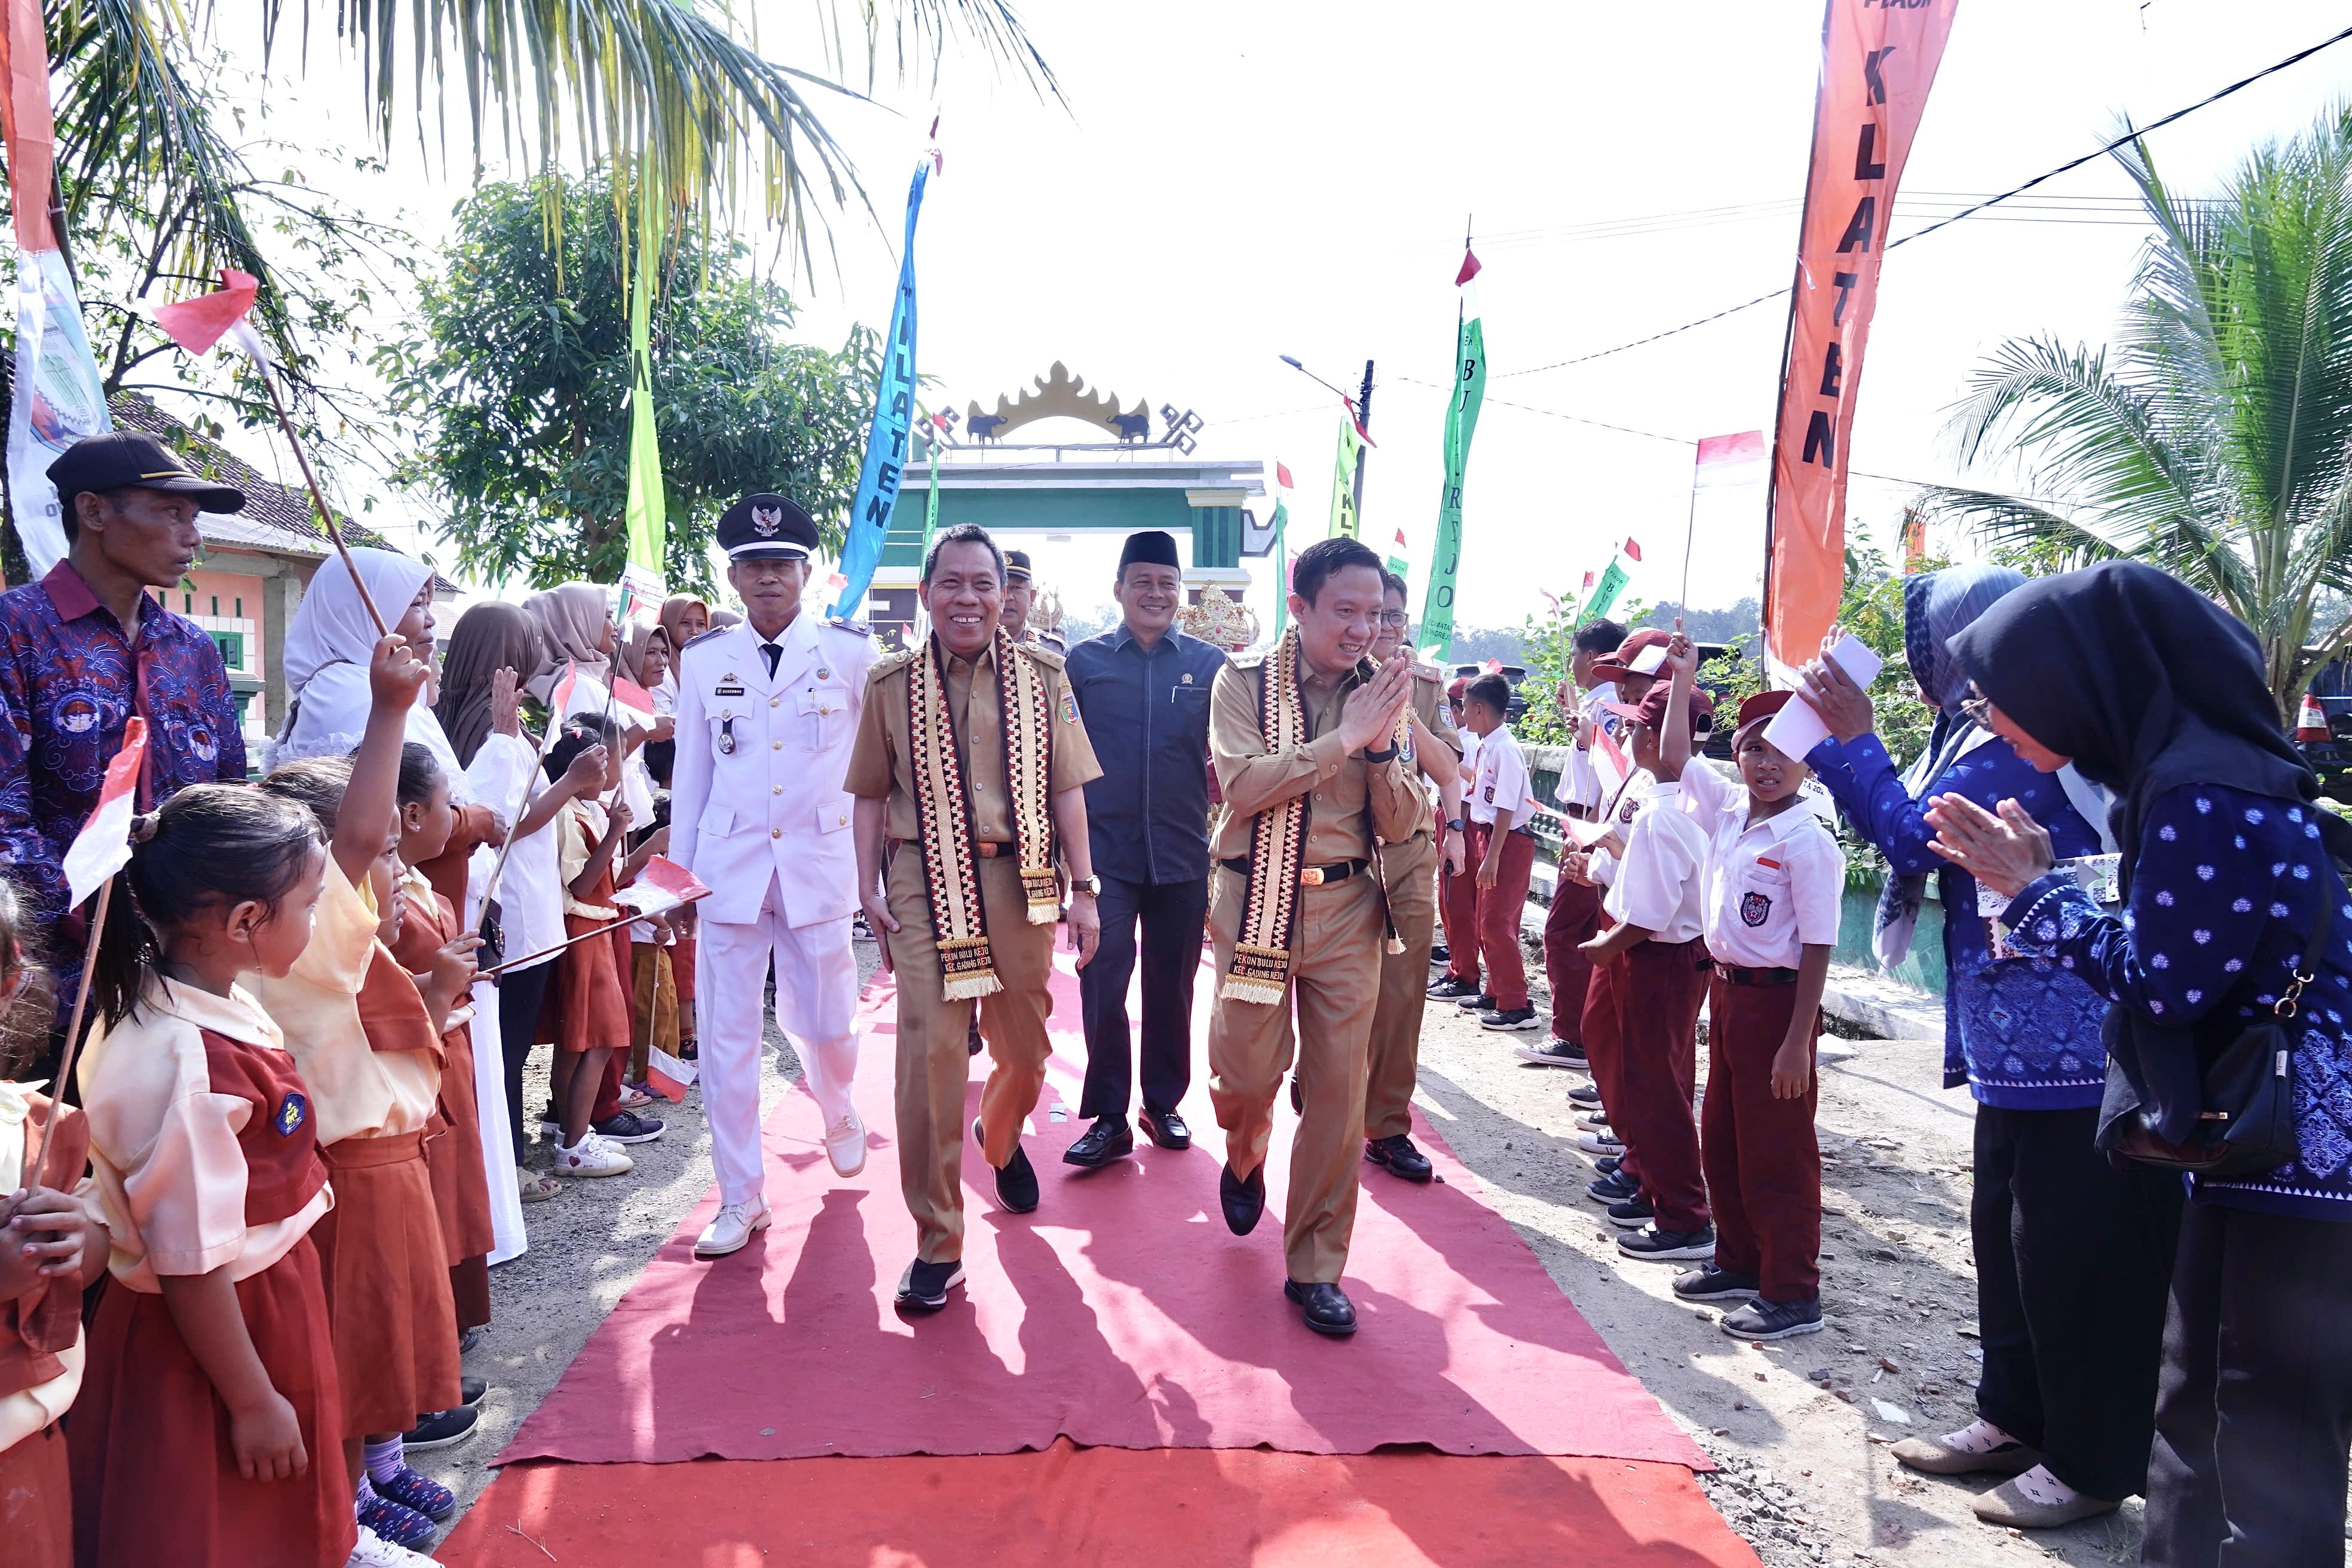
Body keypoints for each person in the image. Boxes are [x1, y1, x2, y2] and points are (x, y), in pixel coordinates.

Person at [1924, 561, 2352, 1561]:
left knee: (2263, 1428)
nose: (1994, 719)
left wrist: (2031, 892)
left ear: (2082, 680)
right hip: (2260, 1143)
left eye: (2006, 694)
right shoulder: (2201, 772)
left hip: (2299, 1150)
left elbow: (2168, 984)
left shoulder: (2200, 790)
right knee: (2196, 1400)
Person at [1799, 565, 2178, 1530]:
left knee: (2071, 1255)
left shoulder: (2034, 740)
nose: (1935, 662)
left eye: (1940, 642)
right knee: (2009, 1240)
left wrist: (1852, 740)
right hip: (2017, 1046)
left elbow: (1916, 836)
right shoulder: (1979, 728)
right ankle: (2012, 1416)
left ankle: (2089, 1457)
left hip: (2073, 1048)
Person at [72, 783, 436, 1568]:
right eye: (309, 905)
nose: (316, 921)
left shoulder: (206, 1007)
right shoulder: (187, 1063)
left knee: (272, 1499)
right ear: (244, 923)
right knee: (214, 1509)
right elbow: (190, 1262)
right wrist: (251, 1397)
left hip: (264, 1298)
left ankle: (334, 1541)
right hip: (216, 1327)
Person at [846, 523, 1102, 1313]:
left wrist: (1085, 887)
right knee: (927, 1057)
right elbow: (867, 793)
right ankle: (937, 1242)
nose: (967, 598)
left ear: (1005, 595)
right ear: (926, 595)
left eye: (982, 584)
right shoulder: (892, 685)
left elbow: (1069, 787)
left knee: (1024, 1051)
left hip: (1019, 880)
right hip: (923, 880)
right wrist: (868, 888)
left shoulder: (1044, 676)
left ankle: (1001, 1134)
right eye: (950, 583)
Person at [253, 637, 471, 1555]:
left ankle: (374, 1480)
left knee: (386, 1348)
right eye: (378, 857)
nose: (390, 872)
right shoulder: (305, 938)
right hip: (349, 1167)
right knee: (348, 1357)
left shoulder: (330, 937)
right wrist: (389, 710)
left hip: (385, 1158)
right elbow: (353, 841)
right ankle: (342, 1522)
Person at [1205, 536, 1423, 1336]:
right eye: (1347, 611)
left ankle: (1316, 1267)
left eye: (1376, 613)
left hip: (1348, 912)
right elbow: (1243, 785)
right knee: (1244, 1071)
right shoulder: (1243, 680)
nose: (1365, 629)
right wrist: (1343, 741)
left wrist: (1385, 748)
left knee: (1338, 1093)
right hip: (1252, 899)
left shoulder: (1386, 691)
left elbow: (1403, 824)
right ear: (1299, 608)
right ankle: (1244, 1149)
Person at [669, 493, 880, 1258]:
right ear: (733, 576)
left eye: (782, 565)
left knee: (824, 1023)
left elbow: (874, 775)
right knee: (726, 1042)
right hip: (728, 871)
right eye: (754, 565)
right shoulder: (703, 662)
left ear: (806, 572)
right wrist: (679, 880)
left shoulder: (851, 654)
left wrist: (876, 872)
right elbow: (691, 778)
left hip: (819, 867)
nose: (768, 578)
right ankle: (741, 1195)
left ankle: (838, 1103)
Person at [0, 431, 249, 984]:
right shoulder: (16, 631)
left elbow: (229, 794)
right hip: (56, 977)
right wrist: (102, 918)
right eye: (171, 513)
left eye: (195, 517)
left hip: (189, 965)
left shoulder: (193, 648)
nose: (193, 537)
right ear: (93, 511)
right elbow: (5, 822)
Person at [1656, 644, 1840, 1342]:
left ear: (1804, 762)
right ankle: (1739, 1260)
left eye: (1780, 754)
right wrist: (1682, 680)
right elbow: (1676, 756)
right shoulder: (1735, 812)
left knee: (1778, 1149)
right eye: (1753, 749)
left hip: (1779, 1003)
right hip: (1728, 993)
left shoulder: (1807, 836)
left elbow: (1819, 943)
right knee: (1724, 1136)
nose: (1765, 764)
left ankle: (1792, 1289)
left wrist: (1799, 1040)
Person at [1060, 530, 1229, 1167]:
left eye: (1167, 583)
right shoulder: (1085, 662)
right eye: (1143, 582)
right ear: (1120, 589)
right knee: (1102, 977)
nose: (1156, 593)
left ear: (1179, 592)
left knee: (1173, 982)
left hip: (1184, 851)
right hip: (1104, 856)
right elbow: (1059, 760)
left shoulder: (1211, 666)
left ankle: (1161, 1103)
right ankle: (1108, 1116)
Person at [1576, 677, 1715, 1264]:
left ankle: (1683, 1215)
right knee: (1658, 1079)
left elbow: (1650, 913)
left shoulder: (1664, 813)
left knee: (1656, 1087)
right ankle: (1656, 1184)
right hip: (1674, 953)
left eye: (1634, 728)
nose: (1626, 737)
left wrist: (1606, 947)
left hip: (1657, 956)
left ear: (1658, 738)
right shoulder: (1688, 800)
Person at [433, 601, 566, 1208]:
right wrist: (565, 781)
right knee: (503, 1049)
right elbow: (502, 823)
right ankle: (502, 1167)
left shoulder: (464, 724)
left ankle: (499, 1162)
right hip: (507, 913)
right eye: (530, 640)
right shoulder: (489, 734)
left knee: (502, 1048)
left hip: (519, 911)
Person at [0, 875, 108, 1568]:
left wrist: (82, 1239)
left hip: (29, 1449)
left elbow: (93, 1259)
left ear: (10, 976)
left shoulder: (40, 1129)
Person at [1358, 572, 1465, 1183]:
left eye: (1395, 617)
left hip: (1404, 852)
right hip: (1340, 848)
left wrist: (1399, 704)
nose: (1385, 627)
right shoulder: (1320, 679)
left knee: (1401, 994)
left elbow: (1450, 767)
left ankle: (1388, 1125)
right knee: (1330, 982)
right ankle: (1317, 1078)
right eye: (1376, 615)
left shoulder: (1425, 686)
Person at [1526, 617, 1628, 1068]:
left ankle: (1574, 1036)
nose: (1571, 664)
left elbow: (1604, 779)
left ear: (1590, 657)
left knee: (1566, 931)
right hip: (1593, 826)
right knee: (1589, 930)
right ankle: (1589, 1037)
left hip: (1596, 828)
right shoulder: (1602, 704)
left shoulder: (1605, 707)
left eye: (1573, 656)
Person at [1459, 672, 1543, 1032]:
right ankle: (1496, 991)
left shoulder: (1505, 748)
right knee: (1485, 918)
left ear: (1479, 709)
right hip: (1489, 835)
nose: (1462, 715)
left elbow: (1507, 806)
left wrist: (1492, 856)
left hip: (1506, 839)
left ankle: (1518, 1004)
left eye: (1464, 708)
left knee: (1497, 922)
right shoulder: (1486, 744)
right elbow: (1481, 790)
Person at [1001, 549, 1038, 644]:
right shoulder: (965, 648)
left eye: (1016, 587)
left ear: (1032, 596)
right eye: (1000, 589)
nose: (1007, 597)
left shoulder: (1054, 649)